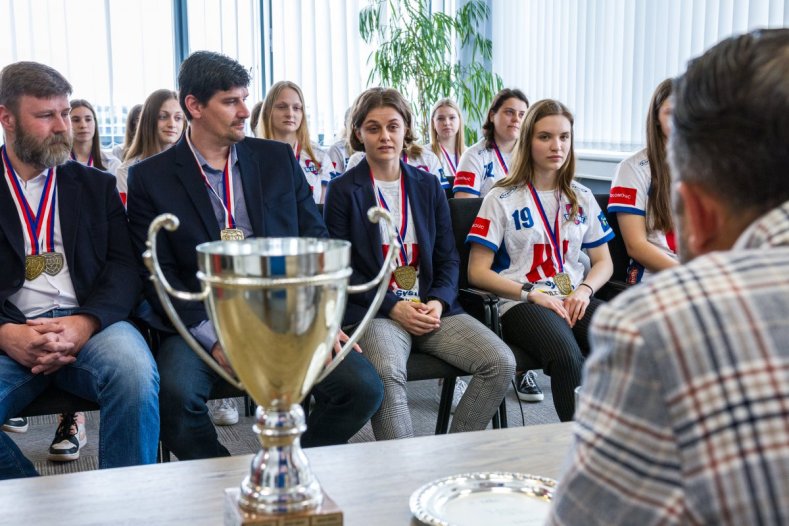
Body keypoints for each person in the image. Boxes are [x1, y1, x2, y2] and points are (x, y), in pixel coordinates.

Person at [548, 29, 789, 525]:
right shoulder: (629, 170)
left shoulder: (655, 325)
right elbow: (634, 246)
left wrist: (590, 287)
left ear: (694, 215)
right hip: (538, 295)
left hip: (615, 293)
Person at [127, 51, 383, 459]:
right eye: (231, 101)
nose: (245, 111)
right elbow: (157, 273)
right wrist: (212, 339)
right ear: (193, 105)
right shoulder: (151, 177)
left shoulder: (276, 159)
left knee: (363, 389)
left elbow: (315, 239)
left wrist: (322, 315)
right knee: (174, 401)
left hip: (287, 312)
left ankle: (288, 461)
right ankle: (224, 477)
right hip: (201, 317)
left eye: (245, 98)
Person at [324, 87, 515, 440]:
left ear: (406, 129)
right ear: (358, 134)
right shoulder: (342, 191)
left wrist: (438, 302)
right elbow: (344, 269)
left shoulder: (427, 186)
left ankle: (451, 457)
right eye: (373, 128)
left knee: (500, 363)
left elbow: (447, 257)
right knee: (388, 374)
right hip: (377, 310)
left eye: (393, 126)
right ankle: (405, 475)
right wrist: (395, 307)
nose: (385, 136)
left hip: (432, 307)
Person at [0, 61, 159, 478]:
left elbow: (125, 268)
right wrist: (5, 333)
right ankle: (40, 505)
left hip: (93, 326)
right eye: (45, 115)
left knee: (137, 376)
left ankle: (128, 509)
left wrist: (85, 323)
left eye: (65, 114)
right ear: (7, 119)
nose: (61, 126)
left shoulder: (94, 185)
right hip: (11, 334)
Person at [467, 99, 614, 422]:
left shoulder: (581, 196)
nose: (556, 146)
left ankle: (618, 440)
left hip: (573, 297)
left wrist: (585, 290)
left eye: (564, 137)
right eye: (545, 137)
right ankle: (576, 453)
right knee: (567, 358)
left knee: (629, 338)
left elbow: (603, 261)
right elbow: (476, 272)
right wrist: (530, 293)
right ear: (528, 140)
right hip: (522, 301)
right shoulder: (501, 197)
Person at [608, 79, 678, 283]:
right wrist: (691, 276)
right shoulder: (631, 168)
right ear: (656, 117)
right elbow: (636, 246)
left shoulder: (707, 166)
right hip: (653, 279)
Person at [256, 81, 333, 204]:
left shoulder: (319, 157)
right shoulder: (253, 156)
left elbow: (323, 208)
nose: (290, 114)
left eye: (297, 108)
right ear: (268, 111)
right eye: (282, 107)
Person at [453, 88, 528, 198]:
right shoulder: (473, 156)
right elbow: (464, 209)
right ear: (492, 115)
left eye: (522, 115)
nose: (516, 119)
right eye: (509, 112)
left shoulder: (532, 155)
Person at [115, 89, 184, 204]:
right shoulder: (126, 171)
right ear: (148, 120)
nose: (172, 124)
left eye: (178, 118)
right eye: (163, 117)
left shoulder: (192, 163)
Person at [69, 99, 121, 175]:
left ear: (95, 123)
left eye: (88, 119)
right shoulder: (56, 163)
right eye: (76, 120)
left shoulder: (112, 163)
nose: (83, 125)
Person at [427, 98, 466, 185]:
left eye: (452, 117)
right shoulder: (425, 154)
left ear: (459, 120)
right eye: (440, 119)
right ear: (433, 123)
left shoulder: (470, 154)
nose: (447, 123)